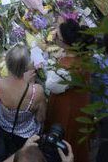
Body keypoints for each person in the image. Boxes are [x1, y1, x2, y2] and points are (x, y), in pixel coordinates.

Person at [45, 20, 91, 162]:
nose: (54, 37)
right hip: (81, 98)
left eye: (57, 36)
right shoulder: (84, 54)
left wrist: (52, 62)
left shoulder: (66, 67)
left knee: (67, 131)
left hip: (67, 104)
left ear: (64, 42)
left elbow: (51, 85)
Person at [0, 45, 45, 155]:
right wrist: (30, 84)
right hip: (25, 132)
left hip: (3, 124)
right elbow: (41, 118)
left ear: (6, 63)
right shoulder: (36, 91)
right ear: (27, 67)